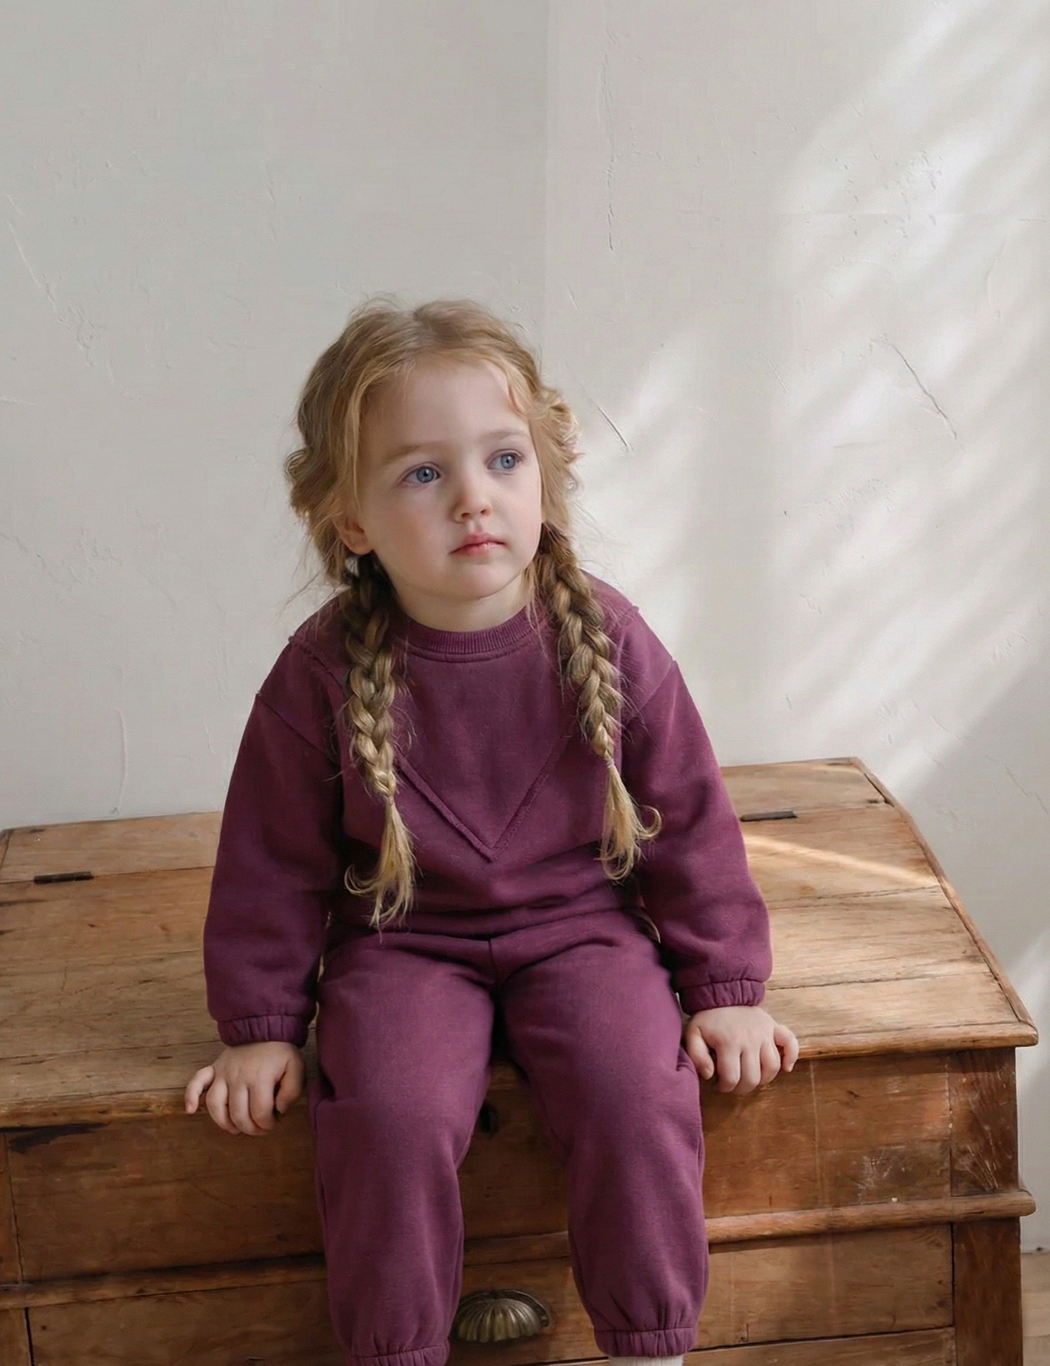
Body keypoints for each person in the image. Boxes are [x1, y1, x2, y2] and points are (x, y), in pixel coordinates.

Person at [184, 295, 799, 1366]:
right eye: (422, 473)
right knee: (388, 1113)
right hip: (404, 944)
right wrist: (261, 1024)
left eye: (503, 459)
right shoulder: (320, 673)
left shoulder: (607, 636)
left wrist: (727, 989)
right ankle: (397, 1349)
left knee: (634, 1092)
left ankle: (653, 1345)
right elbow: (270, 864)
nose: (474, 496)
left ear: (545, 477)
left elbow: (691, 825)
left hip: (584, 933)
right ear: (351, 519)